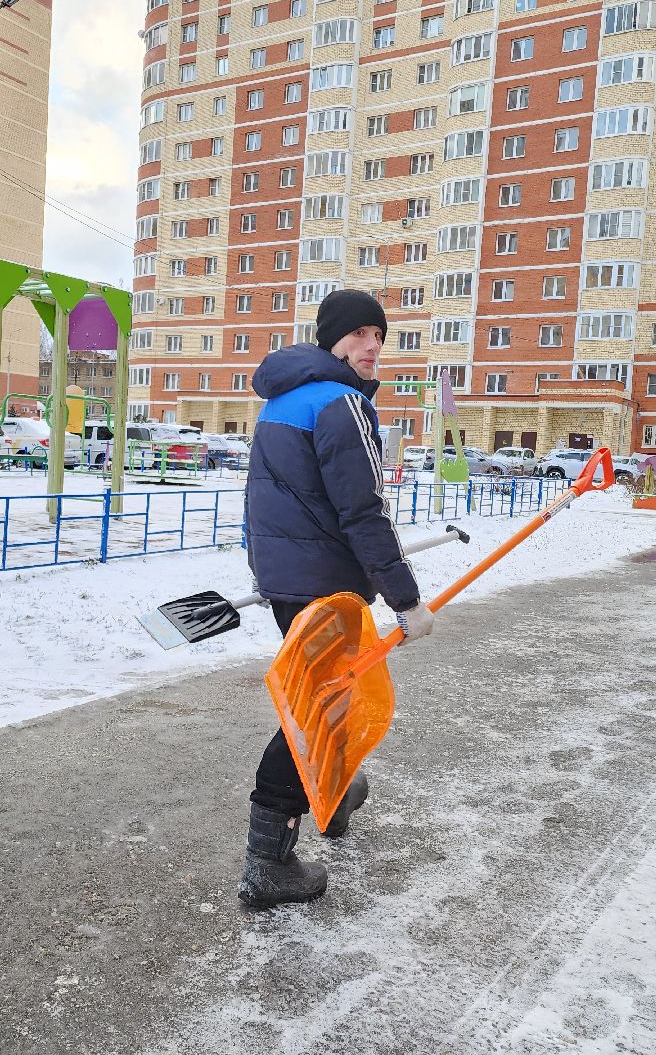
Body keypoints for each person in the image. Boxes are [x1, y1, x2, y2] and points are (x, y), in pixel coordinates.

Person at [239, 288, 435, 909]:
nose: (372, 345)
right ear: (331, 340)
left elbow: (267, 495)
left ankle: (336, 787)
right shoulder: (343, 404)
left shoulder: (283, 399)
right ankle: (269, 856)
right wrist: (406, 598)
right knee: (317, 706)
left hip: (288, 574)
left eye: (380, 335)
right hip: (323, 580)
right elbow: (364, 512)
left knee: (332, 695)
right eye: (358, 334)